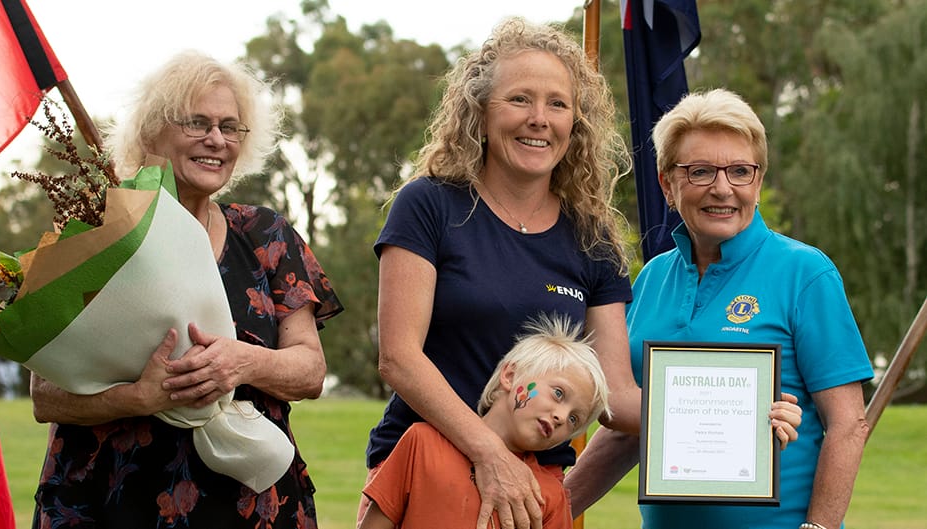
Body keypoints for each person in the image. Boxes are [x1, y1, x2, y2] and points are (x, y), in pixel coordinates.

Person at [29, 51, 343, 528]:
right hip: (111, 503)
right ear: (153, 131)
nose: (215, 139)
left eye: (229, 126)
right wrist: (139, 397)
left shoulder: (268, 236)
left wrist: (241, 361)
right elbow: (45, 394)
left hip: (247, 504)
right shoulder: (96, 229)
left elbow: (310, 371)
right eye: (196, 123)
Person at [361, 17, 643, 529]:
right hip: (426, 471)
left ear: (575, 122)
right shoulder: (429, 206)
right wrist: (491, 453)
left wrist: (739, 413)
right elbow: (398, 358)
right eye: (519, 99)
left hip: (534, 498)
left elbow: (618, 400)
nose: (540, 118)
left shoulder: (594, 239)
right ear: (481, 114)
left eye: (557, 103)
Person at [565, 88, 870, 529]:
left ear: (759, 182)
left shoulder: (805, 273)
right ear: (667, 184)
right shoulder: (651, 279)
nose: (722, 188)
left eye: (740, 171)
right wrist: (549, 512)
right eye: (701, 171)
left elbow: (848, 425)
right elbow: (631, 431)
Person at [359, 314, 611, 529]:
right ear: (510, 376)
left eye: (574, 419)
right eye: (558, 393)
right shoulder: (420, 443)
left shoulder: (549, 497)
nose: (561, 417)